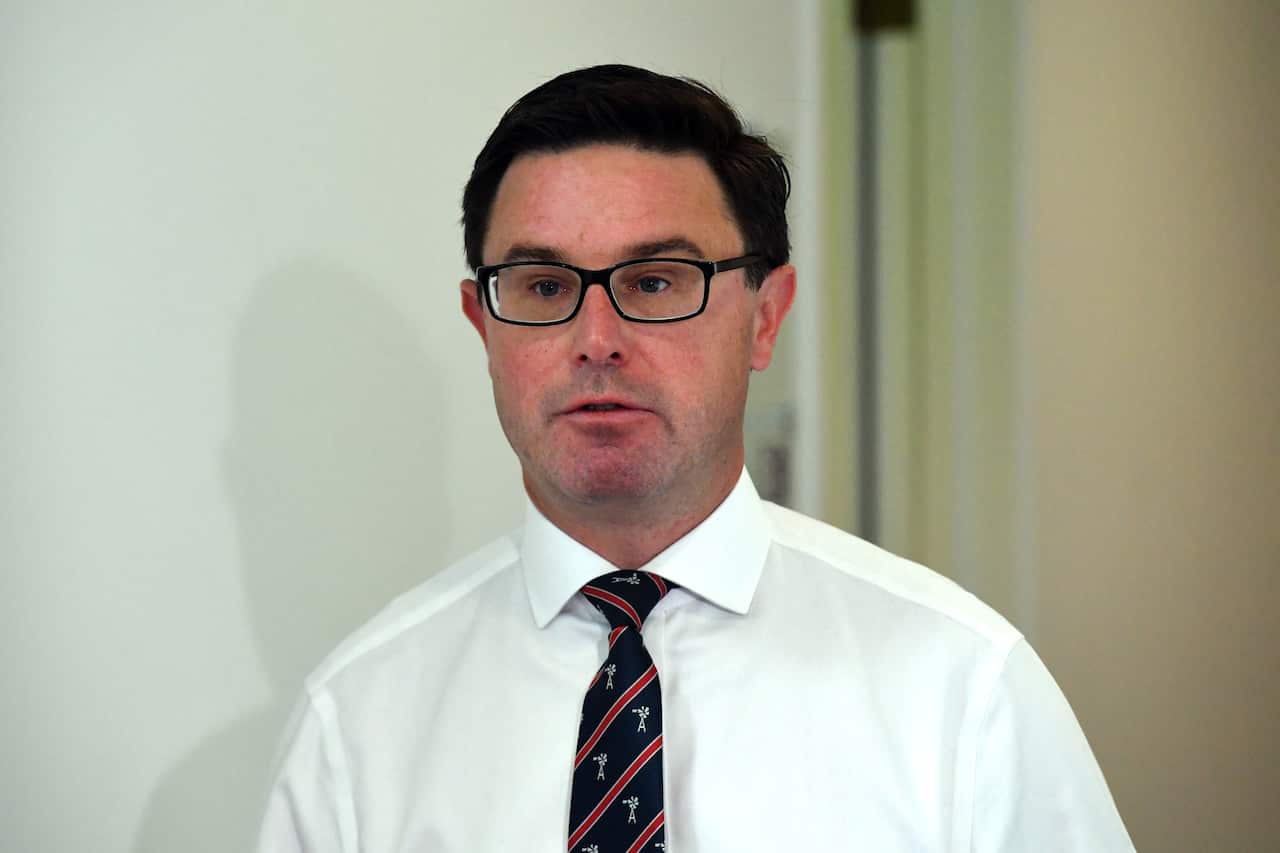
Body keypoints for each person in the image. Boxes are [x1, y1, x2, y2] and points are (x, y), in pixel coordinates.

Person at [257, 64, 1133, 851]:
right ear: (483, 323)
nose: (595, 340)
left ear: (765, 315)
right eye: (543, 287)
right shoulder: (359, 723)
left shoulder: (963, 691)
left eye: (655, 281)